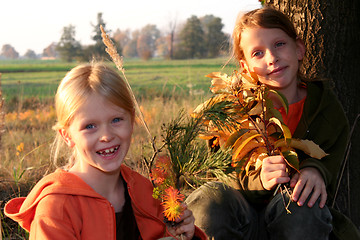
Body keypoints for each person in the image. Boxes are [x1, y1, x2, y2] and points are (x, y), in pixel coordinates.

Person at [186, 7, 358, 240]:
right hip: (242, 218)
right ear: (245, 66)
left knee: (302, 203)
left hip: (293, 217)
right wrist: (257, 180)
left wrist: (316, 171)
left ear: (298, 48)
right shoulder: (235, 111)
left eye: (279, 44)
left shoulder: (324, 107)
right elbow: (221, 171)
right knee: (209, 199)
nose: (271, 58)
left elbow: (332, 155)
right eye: (257, 53)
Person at [5, 62, 207, 240]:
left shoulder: (144, 192)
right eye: (90, 126)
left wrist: (180, 232)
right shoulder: (56, 209)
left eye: (116, 120)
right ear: (67, 135)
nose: (106, 135)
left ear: (132, 119)